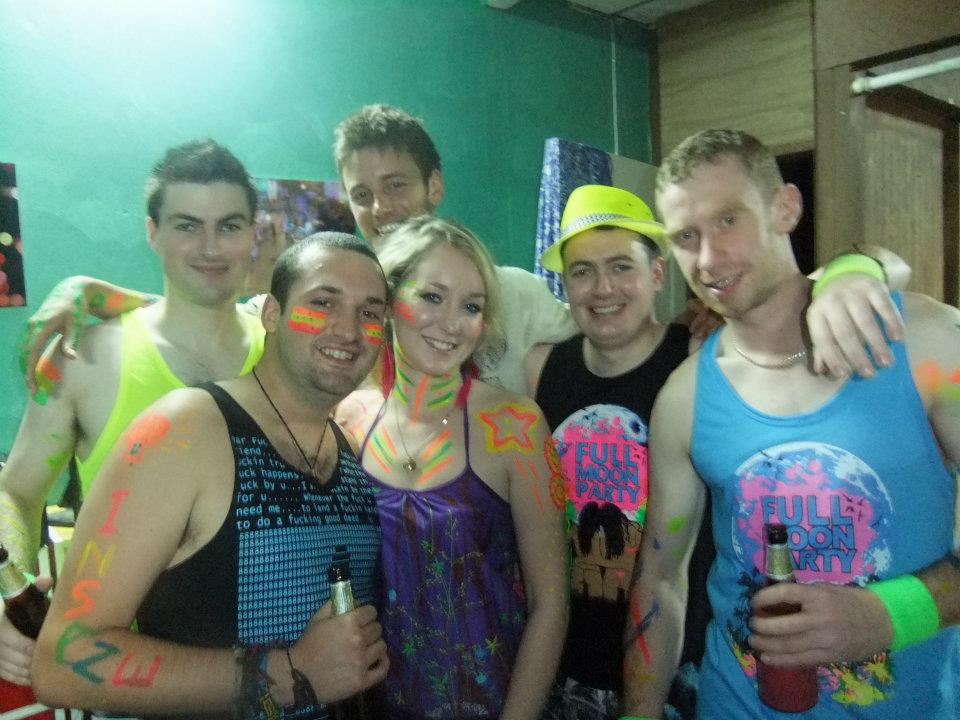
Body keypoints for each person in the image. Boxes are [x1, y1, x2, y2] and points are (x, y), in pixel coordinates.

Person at [622, 129, 960, 719]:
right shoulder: (685, 398)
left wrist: (890, 615)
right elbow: (661, 580)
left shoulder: (925, 344)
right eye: (685, 237)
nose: (707, 259)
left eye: (728, 220)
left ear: (785, 208)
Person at [31, 232, 390, 719]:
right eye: (322, 302)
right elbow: (63, 663)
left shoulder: (349, 449)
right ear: (272, 314)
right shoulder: (186, 430)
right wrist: (286, 672)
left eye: (370, 313)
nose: (348, 329)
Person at [0, 139, 266, 688]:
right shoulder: (82, 359)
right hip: (123, 680)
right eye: (187, 225)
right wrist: (8, 592)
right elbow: (18, 492)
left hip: (275, 671)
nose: (210, 246)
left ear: (253, 233)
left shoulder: (285, 351)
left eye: (229, 226)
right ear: (153, 232)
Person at [335, 215, 568, 720]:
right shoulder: (348, 419)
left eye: (471, 307)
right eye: (431, 297)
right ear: (389, 300)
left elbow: (550, 605)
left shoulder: (515, 426)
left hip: (492, 701)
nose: (452, 323)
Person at [524, 184, 714, 720]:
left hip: (677, 663)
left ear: (657, 274)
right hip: (568, 662)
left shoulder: (698, 360)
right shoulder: (540, 368)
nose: (602, 288)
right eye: (582, 271)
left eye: (621, 267)